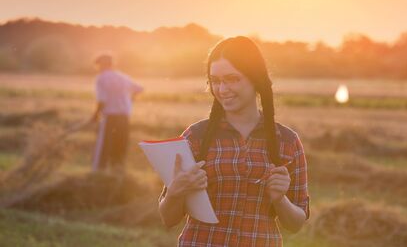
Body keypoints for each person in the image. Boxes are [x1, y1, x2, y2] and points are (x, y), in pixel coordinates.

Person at [158, 36, 309, 246]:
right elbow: (168, 218)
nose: (222, 89)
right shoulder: (195, 138)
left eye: (232, 79)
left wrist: (280, 199)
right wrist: (175, 192)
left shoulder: (287, 142)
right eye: (215, 81)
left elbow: (296, 224)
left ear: (255, 78)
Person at [90, 52, 143, 172]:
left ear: (101, 65)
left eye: (98, 65)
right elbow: (139, 89)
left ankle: (99, 172)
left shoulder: (101, 78)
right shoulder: (122, 77)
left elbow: (102, 101)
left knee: (104, 145)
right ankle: (118, 170)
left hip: (110, 117)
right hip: (124, 117)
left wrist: (95, 115)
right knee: (120, 144)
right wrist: (130, 100)